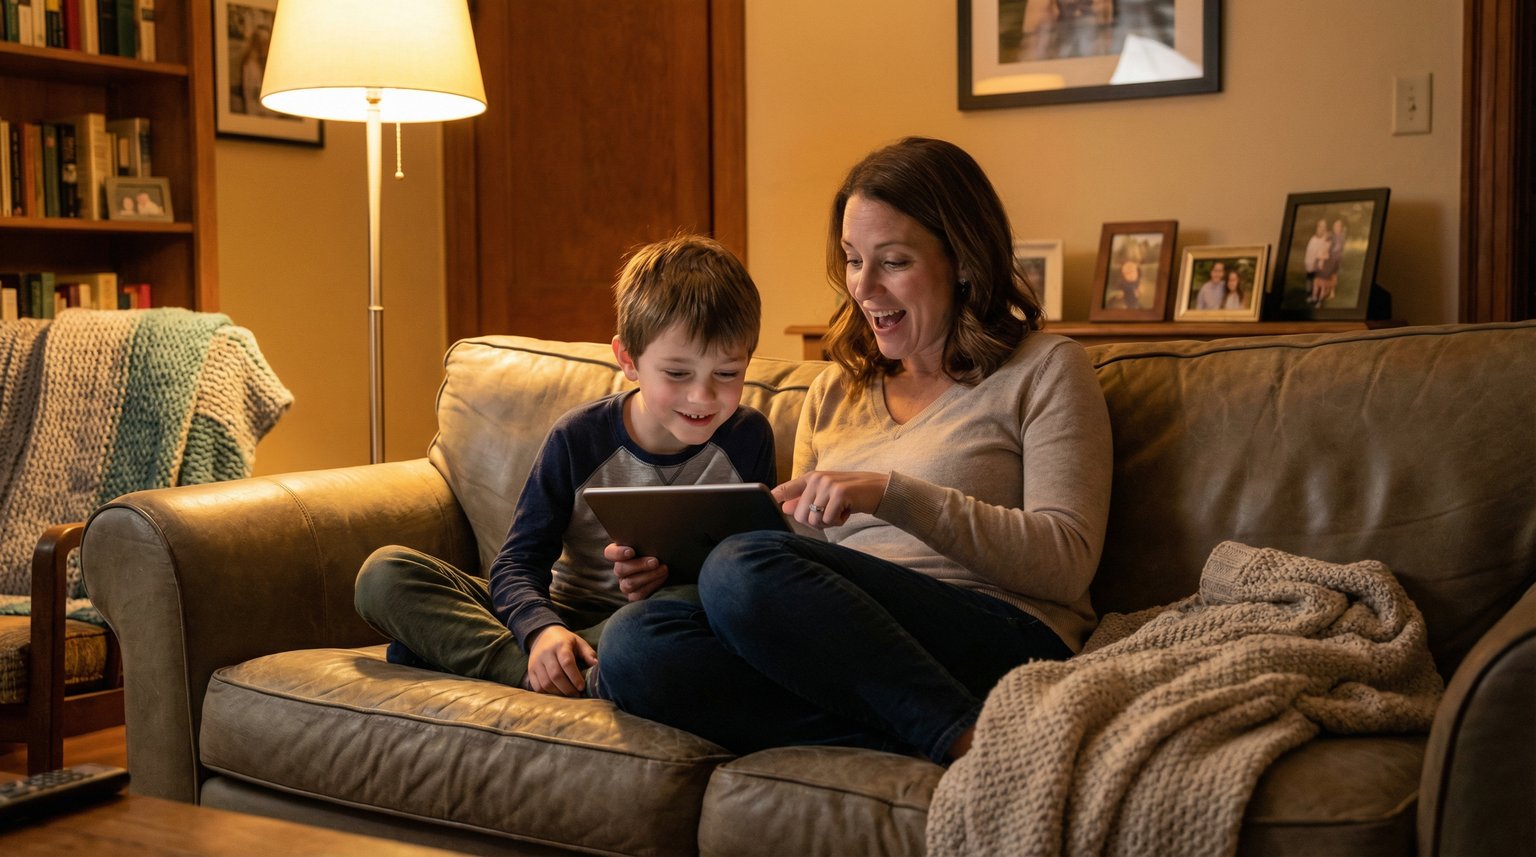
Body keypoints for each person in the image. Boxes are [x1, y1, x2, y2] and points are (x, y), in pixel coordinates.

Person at [591, 137, 1113, 765]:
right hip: (855, 650)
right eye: (851, 258)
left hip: (1003, 633)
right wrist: (675, 566)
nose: (862, 287)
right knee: (636, 643)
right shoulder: (834, 389)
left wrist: (890, 493)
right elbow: (797, 565)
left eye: (891, 261)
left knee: (744, 567)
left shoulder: (1048, 370)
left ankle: (965, 742)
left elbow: (1066, 563)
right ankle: (924, 733)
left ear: (965, 261)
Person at [353, 235, 776, 697]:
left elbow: (751, 575)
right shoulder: (579, 437)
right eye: (677, 373)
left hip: (656, 623)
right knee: (385, 574)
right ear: (628, 360)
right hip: (561, 614)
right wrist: (540, 630)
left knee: (696, 603)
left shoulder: (747, 437)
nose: (703, 396)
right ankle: (557, 670)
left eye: (728, 373)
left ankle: (500, 661)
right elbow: (517, 562)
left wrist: (673, 577)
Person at [1305, 218, 1331, 304]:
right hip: (1310, 263)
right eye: (1320, 226)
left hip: (1320, 264)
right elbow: (1310, 252)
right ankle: (1309, 294)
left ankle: (1318, 296)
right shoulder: (1313, 239)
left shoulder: (1326, 239)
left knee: (1319, 281)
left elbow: (1326, 250)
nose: (1322, 229)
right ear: (1317, 227)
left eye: (1324, 227)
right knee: (1310, 278)